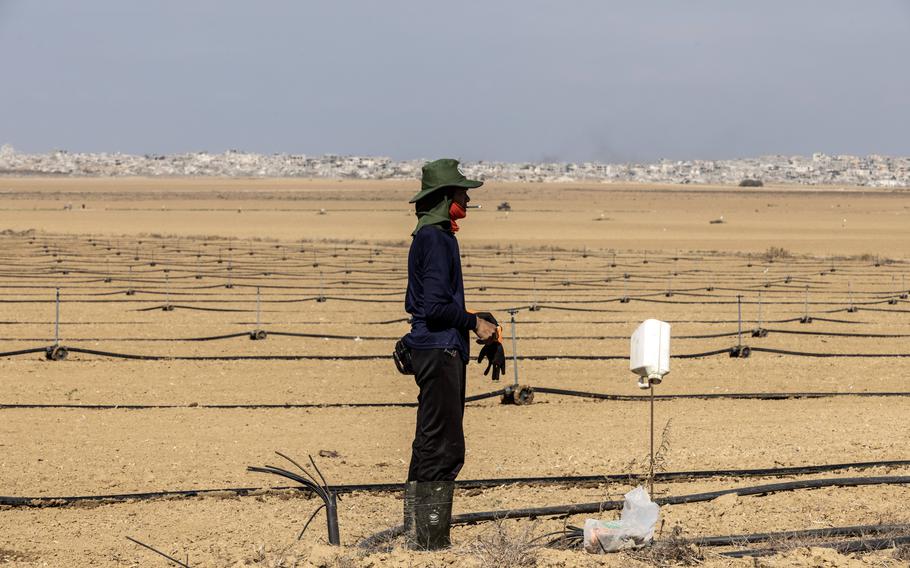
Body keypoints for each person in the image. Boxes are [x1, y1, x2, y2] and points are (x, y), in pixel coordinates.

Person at [400, 158, 499, 549]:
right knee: (443, 446)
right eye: (461, 192)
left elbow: (431, 303)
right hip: (440, 351)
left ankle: (417, 536)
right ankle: (428, 543)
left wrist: (477, 318)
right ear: (444, 198)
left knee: (430, 439)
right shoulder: (438, 240)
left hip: (432, 346)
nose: (467, 198)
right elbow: (437, 307)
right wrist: (473, 324)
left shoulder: (427, 236)